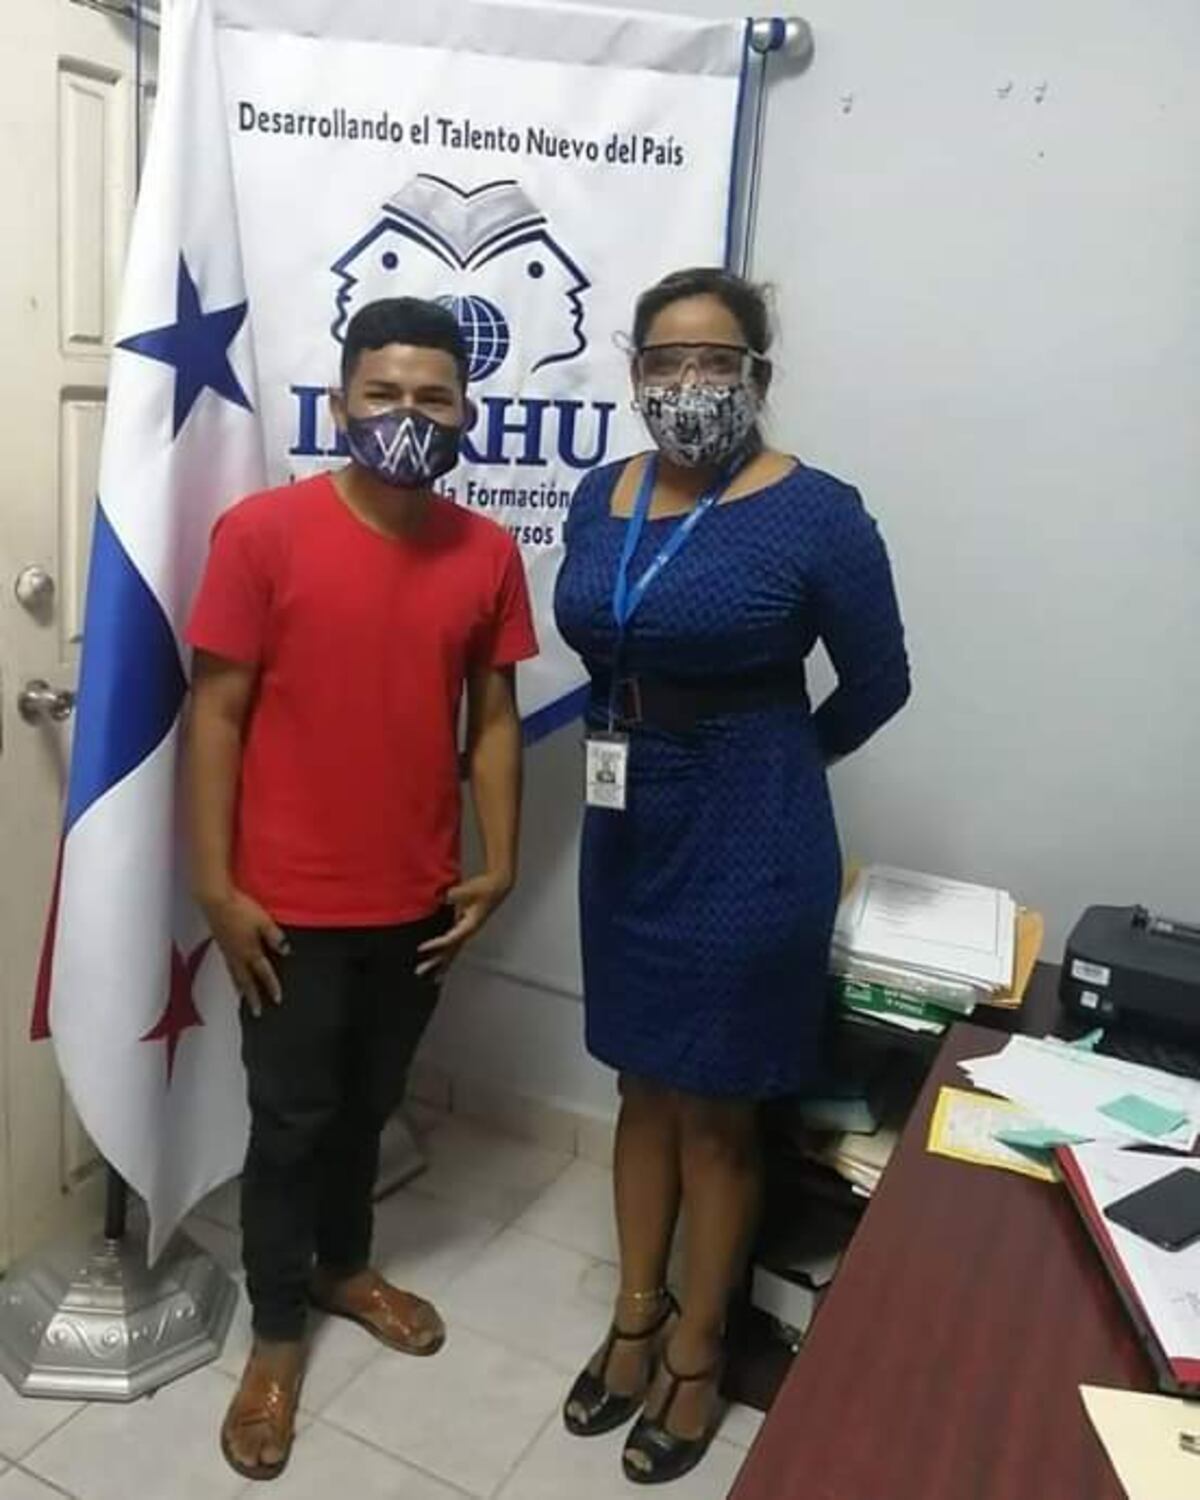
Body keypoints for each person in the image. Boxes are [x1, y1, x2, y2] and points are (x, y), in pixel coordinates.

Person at [553, 267, 910, 1485]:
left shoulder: (819, 513)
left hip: (752, 837)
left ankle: (700, 1352)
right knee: (639, 1087)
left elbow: (879, 681)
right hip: (626, 826)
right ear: (635, 372)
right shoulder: (599, 496)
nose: (690, 383)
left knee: (715, 1107)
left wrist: (781, 760)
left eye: (717, 361)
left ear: (759, 374)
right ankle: (635, 1318)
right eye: (666, 360)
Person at [185, 297, 537, 1482]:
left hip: (419, 903)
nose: (407, 415)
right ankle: (276, 1337)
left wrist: (501, 860)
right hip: (285, 906)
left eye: (433, 397)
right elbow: (216, 713)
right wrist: (214, 884)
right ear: (339, 406)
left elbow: (494, 717)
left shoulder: (486, 553)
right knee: (289, 1125)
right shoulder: (261, 534)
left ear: (467, 413)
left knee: (368, 1103)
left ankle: (344, 1268)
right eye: (383, 394)